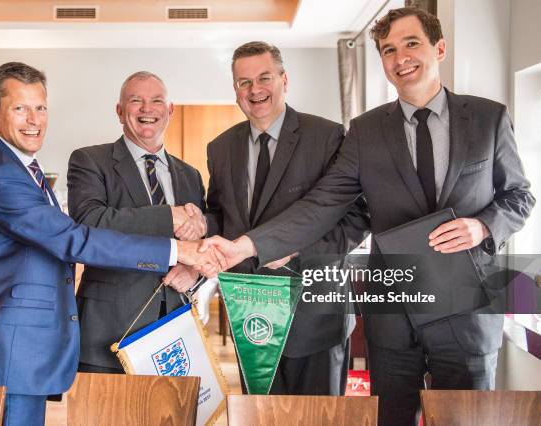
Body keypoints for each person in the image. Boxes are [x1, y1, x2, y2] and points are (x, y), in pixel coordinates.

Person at [202, 8, 535, 426]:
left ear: (440, 48)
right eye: (389, 50)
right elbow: (324, 202)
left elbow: (519, 196)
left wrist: (483, 224)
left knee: (465, 419)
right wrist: (248, 246)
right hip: (392, 314)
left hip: (464, 308)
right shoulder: (365, 130)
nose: (400, 58)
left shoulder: (488, 117)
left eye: (411, 44)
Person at [0, 62, 221, 426]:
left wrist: (196, 255)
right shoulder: (1, 174)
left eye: (40, 108)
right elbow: (74, 238)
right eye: (20, 108)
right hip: (12, 346)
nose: (34, 120)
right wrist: (176, 249)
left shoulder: (17, 167)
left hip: (35, 345)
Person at [205, 41, 369, 395]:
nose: (255, 90)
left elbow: (355, 219)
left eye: (264, 77)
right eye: (243, 82)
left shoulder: (327, 136)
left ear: (284, 79)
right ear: (235, 90)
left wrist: (297, 253)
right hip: (251, 318)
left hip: (315, 317)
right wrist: (199, 224)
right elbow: (220, 215)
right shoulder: (219, 148)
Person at [67, 71, 207, 374]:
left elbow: (202, 243)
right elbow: (90, 222)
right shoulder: (89, 161)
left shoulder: (190, 175)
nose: (147, 109)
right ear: (120, 111)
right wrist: (169, 215)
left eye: (157, 101)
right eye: (136, 101)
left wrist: (194, 270)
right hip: (109, 331)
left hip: (175, 331)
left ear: (169, 111)